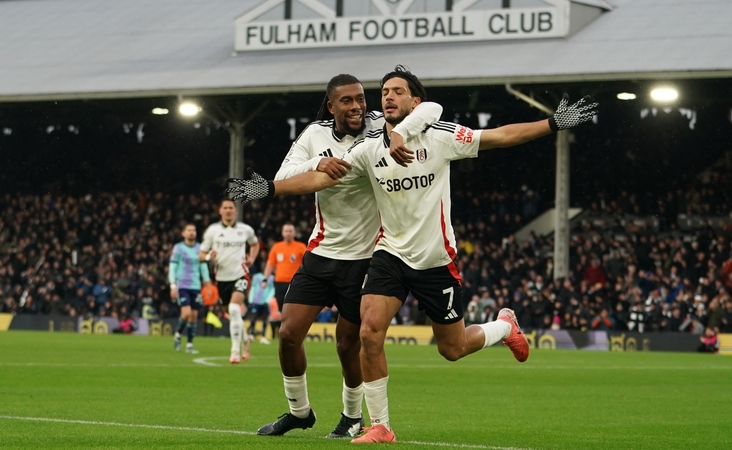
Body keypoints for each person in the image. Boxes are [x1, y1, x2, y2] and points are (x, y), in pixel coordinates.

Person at [229, 65, 598, 443]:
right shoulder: (368, 147)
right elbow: (322, 178)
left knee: (452, 348)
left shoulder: (440, 136)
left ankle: (504, 326)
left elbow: (499, 135)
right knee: (369, 332)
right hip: (388, 253)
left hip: (435, 259)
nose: (387, 97)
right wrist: (269, 188)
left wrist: (552, 123)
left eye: (397, 91)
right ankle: (380, 425)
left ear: (414, 101)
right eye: (384, 91)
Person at [254, 73, 443, 439]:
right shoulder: (315, 134)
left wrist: (401, 132)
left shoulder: (381, 124)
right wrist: (317, 163)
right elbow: (284, 174)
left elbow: (431, 109)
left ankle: (352, 417)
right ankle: (299, 412)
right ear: (331, 106)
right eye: (347, 101)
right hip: (321, 252)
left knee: (347, 344)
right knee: (289, 334)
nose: (358, 106)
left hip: (366, 257)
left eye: (361, 99)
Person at [199, 199, 259, 364]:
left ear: (235, 211)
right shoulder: (213, 231)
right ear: (220, 211)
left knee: (234, 308)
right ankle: (246, 339)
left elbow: (255, 245)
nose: (228, 210)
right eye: (225, 208)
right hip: (222, 279)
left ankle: (234, 351)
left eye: (231, 208)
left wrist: (252, 258)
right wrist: (209, 256)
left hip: (240, 275)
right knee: (232, 314)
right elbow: (201, 255)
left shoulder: (245, 229)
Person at [260, 223, 307, 344]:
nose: (288, 233)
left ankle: (293, 331)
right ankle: (286, 331)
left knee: (293, 307)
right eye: (286, 231)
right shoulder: (277, 247)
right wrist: (265, 279)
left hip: (294, 282)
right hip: (279, 283)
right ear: (282, 233)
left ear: (295, 233)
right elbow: (270, 264)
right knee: (282, 309)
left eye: (290, 231)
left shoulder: (301, 247)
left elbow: (307, 263)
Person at [169, 223, 212, 354]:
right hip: (182, 285)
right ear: (184, 233)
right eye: (189, 230)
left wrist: (207, 283)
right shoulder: (178, 248)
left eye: (193, 230)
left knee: (194, 316)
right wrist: (173, 285)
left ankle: (189, 345)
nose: (192, 232)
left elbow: (203, 267)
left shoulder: (200, 248)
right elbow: (173, 267)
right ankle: (178, 335)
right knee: (186, 313)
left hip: (195, 286)